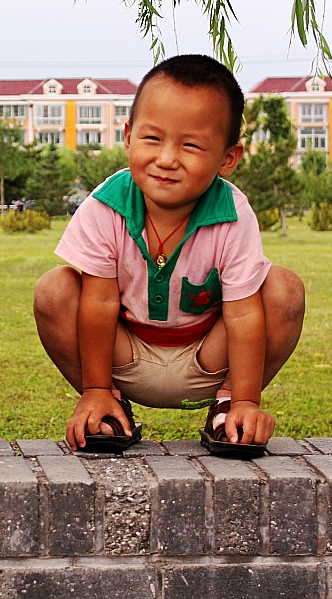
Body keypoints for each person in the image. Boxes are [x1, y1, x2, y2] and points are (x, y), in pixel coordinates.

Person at [33, 54, 304, 457]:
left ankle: (229, 409)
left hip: (209, 358)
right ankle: (107, 405)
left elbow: (243, 314)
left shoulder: (232, 212)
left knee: (284, 287)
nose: (166, 159)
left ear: (228, 158)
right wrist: (95, 386)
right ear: (128, 136)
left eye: (190, 145)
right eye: (152, 139)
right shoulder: (106, 205)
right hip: (123, 354)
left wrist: (247, 398)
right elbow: (99, 301)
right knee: (54, 289)